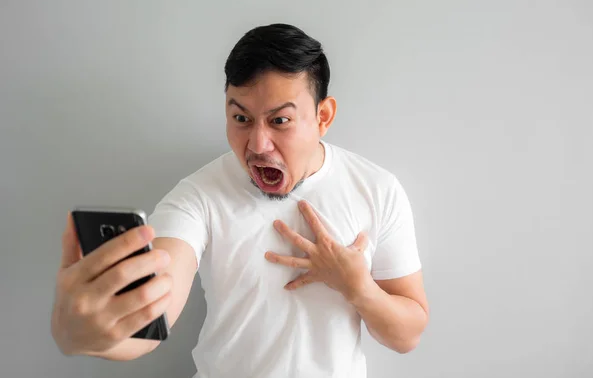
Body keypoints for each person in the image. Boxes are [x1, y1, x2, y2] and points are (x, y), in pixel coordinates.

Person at [51, 23, 430, 377]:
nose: (257, 145)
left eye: (279, 121)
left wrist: (356, 286)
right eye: (241, 118)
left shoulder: (377, 189)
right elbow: (152, 317)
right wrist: (87, 334)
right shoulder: (198, 196)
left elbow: (407, 335)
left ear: (323, 116)